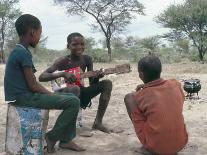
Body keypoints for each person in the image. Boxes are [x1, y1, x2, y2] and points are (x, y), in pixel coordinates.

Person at [4, 14, 85, 153]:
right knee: (73, 102)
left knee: (73, 99)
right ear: (32, 32)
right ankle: (52, 137)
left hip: (24, 94)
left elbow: (32, 82)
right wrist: (52, 95)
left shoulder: (19, 51)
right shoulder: (22, 53)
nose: (39, 37)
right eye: (40, 33)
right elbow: (33, 85)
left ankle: (65, 140)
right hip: (24, 97)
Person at [39, 32, 113, 133]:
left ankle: (98, 122)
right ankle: (70, 127)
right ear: (68, 46)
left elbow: (92, 83)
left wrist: (97, 77)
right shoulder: (62, 61)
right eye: (75, 44)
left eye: (82, 44)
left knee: (107, 83)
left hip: (80, 91)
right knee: (74, 88)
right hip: (64, 94)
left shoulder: (87, 59)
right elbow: (42, 77)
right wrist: (62, 74)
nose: (79, 47)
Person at [124, 55, 188, 155]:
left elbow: (136, 99)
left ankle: (148, 145)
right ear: (160, 70)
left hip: (156, 147)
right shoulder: (176, 84)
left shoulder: (141, 95)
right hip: (180, 143)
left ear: (141, 75)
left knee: (128, 98)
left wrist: (145, 89)